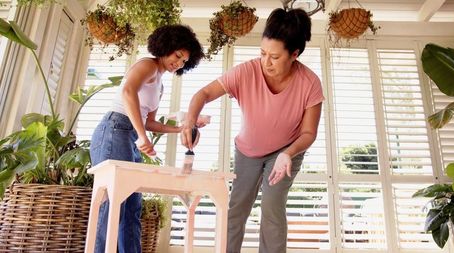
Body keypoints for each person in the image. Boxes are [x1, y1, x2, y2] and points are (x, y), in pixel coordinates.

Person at [181, 8, 324, 253]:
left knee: (272, 206)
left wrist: (288, 153)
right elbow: (203, 94)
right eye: (262, 53)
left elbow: (309, 133)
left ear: (295, 54)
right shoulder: (246, 71)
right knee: (237, 207)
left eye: (275, 57)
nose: (266, 62)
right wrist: (189, 122)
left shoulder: (309, 83)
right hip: (248, 152)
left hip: (285, 152)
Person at [89, 24, 204, 253]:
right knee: (113, 204)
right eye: (177, 55)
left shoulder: (159, 83)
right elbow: (127, 92)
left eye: (184, 61)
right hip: (115, 129)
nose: (179, 63)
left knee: (132, 206)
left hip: (129, 136)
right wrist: (142, 137)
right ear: (166, 46)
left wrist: (181, 129)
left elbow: (149, 122)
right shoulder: (147, 65)